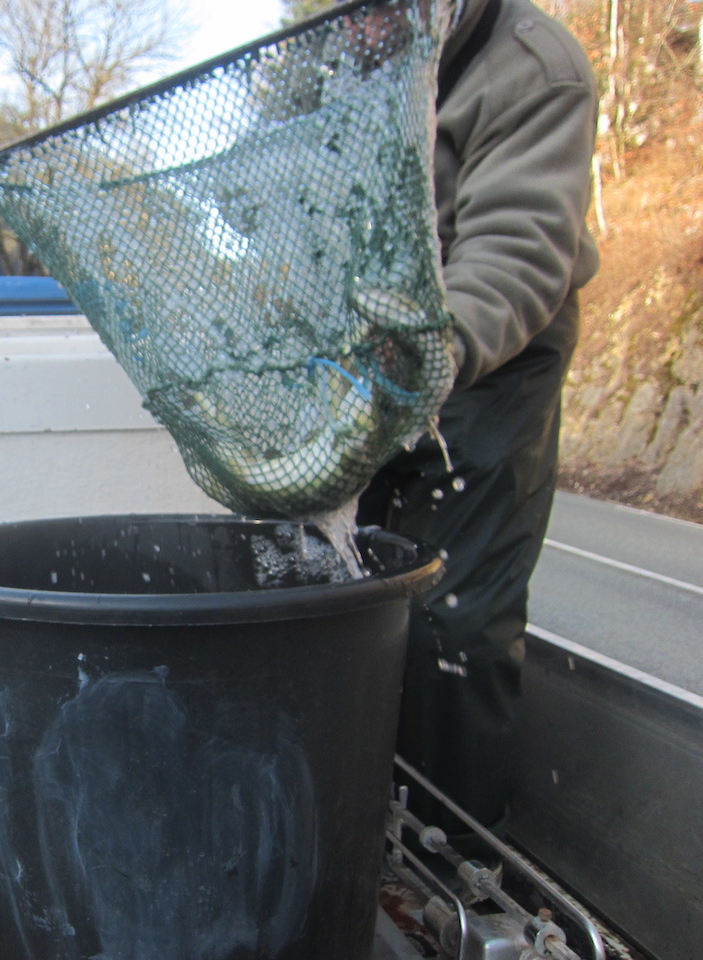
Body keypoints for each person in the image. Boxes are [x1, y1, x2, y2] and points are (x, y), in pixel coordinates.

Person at [356, 0, 600, 837]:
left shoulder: (535, 68)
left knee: (452, 614)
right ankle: (356, 819)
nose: (361, 25)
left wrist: (434, 351)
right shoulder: (360, 66)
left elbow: (516, 247)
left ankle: (453, 858)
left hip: (489, 351)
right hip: (372, 353)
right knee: (336, 585)